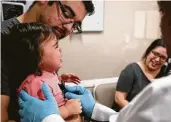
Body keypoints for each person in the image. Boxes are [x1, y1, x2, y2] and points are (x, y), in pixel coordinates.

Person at [19, 1, 171, 122]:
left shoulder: (164, 92)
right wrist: (94, 109)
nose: (160, 24)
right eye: (66, 13)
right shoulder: (34, 81)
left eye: (163, 13)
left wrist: (49, 117)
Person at [1, 1, 94, 122]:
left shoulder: (45, 37)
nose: (68, 28)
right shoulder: (4, 40)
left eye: (75, 25)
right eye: (66, 13)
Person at [6, 23, 82, 121]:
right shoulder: (34, 84)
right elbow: (39, 116)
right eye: (56, 46)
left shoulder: (49, 74)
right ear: (38, 58)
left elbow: (50, 86)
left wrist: (61, 79)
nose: (60, 49)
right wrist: (66, 110)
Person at [113, 39, 168, 112]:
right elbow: (119, 99)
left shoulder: (165, 72)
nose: (157, 59)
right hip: (128, 114)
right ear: (148, 52)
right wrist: (140, 114)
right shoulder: (131, 70)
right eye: (155, 54)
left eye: (163, 57)